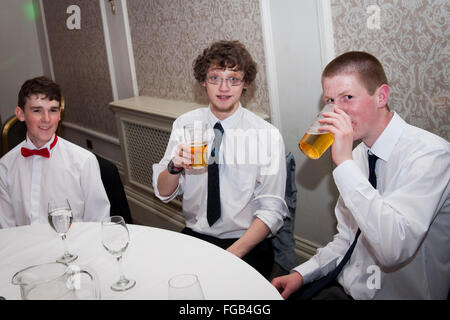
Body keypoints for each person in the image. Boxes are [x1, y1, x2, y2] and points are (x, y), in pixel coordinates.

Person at [272, 51, 450, 299]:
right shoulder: (357, 156)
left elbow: (392, 249)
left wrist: (344, 163)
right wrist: (302, 274)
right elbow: (348, 238)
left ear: (381, 96)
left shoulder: (430, 155)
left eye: (347, 97)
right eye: (330, 101)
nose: (337, 112)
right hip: (349, 288)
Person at [152, 40, 288, 278]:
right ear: (203, 81)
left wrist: (229, 256)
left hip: (246, 242)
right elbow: (163, 193)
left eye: (233, 79)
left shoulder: (266, 135)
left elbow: (272, 211)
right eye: (215, 78)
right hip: (197, 236)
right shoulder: (184, 125)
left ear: (245, 83)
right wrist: (174, 167)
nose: (223, 88)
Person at [0, 76, 110, 228]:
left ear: (59, 115)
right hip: (24, 249)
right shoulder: (5, 166)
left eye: (53, 110)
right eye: (37, 110)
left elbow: (99, 222)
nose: (47, 119)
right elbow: (7, 229)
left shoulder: (84, 161)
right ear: (20, 114)